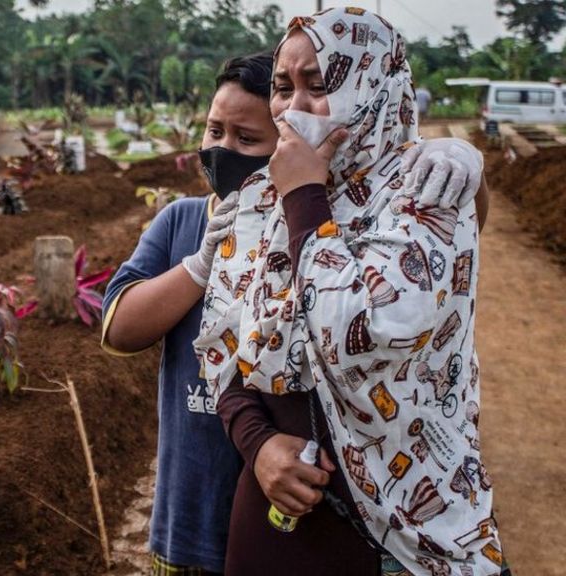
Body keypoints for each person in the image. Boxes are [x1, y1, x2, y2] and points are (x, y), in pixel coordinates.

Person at [102, 50, 486, 574]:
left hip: (288, 522)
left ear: (289, 140)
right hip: (190, 515)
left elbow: (439, 250)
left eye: (246, 139)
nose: (221, 149)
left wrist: (463, 163)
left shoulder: (325, 231)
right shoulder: (182, 221)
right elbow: (120, 329)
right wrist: (200, 266)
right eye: (214, 130)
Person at [197, 8, 506, 575]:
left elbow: (361, 333)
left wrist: (305, 200)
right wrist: (258, 444)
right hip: (278, 514)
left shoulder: (427, 189)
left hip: (402, 523)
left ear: (374, 88)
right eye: (283, 88)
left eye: (320, 87)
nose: (293, 109)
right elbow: (222, 346)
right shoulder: (260, 201)